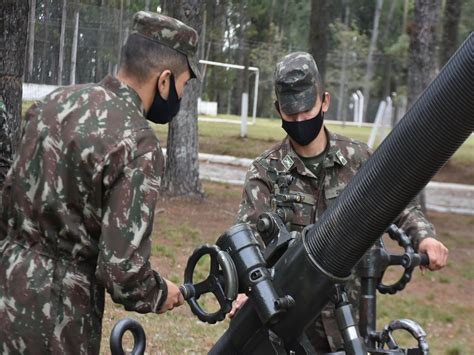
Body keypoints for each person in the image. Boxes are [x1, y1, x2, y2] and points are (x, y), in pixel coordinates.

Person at [0, 11, 201, 354]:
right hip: (57, 318)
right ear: (164, 81)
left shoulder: (52, 103)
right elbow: (122, 271)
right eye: (182, 85)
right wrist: (159, 292)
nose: (179, 96)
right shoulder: (138, 144)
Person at [230, 52, 449, 352]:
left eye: (306, 111)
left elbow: (401, 202)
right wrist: (249, 290)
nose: (299, 121)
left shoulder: (359, 159)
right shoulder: (266, 172)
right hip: (296, 329)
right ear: (278, 110)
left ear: (324, 101)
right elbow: (248, 240)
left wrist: (424, 237)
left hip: (353, 325)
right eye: (290, 114)